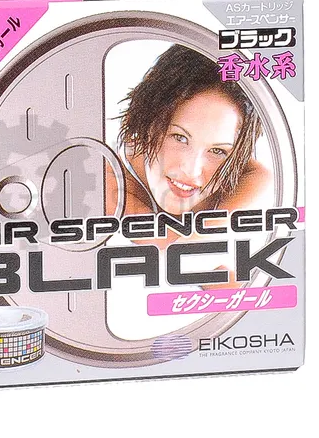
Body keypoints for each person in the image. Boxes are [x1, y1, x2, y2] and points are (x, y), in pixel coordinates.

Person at [105, 44, 273, 288]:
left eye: (217, 150)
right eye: (179, 137)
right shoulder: (107, 177)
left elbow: (260, 174)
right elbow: (184, 255)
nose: (191, 171)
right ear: (147, 118)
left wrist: (212, 228)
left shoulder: (242, 172)